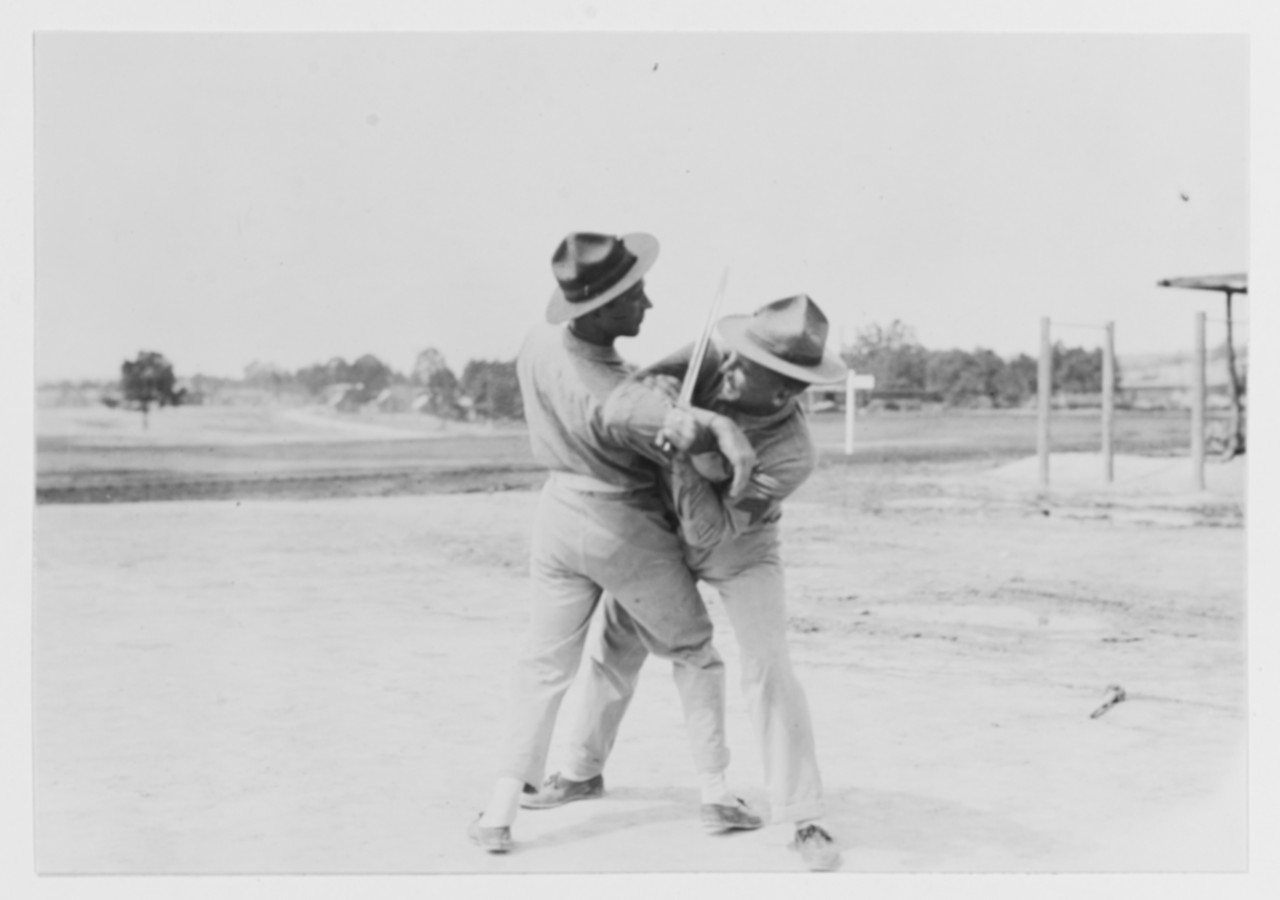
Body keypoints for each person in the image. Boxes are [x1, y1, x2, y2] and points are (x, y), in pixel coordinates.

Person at [522, 294, 848, 871]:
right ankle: (580, 772)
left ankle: (804, 815)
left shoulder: (794, 453)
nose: (726, 367)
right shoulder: (717, 355)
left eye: (745, 367)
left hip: (739, 553)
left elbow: (713, 531)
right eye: (735, 352)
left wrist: (688, 456)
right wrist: (686, 414)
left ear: (782, 392)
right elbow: (640, 388)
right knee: (615, 647)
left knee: (768, 667)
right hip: (661, 535)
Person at [469, 232, 764, 854]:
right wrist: (723, 425)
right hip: (621, 528)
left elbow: (641, 392)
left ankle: (500, 812)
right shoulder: (628, 400)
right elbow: (682, 426)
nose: (649, 307)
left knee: (544, 663)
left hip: (556, 518)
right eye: (636, 297)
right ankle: (716, 794)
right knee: (694, 650)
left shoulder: (539, 340)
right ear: (598, 310)